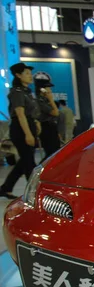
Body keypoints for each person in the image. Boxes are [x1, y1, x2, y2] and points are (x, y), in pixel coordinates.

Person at [0, 63, 39, 199]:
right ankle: (34, 194)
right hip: (21, 128)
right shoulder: (16, 92)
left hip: (28, 125)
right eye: (27, 73)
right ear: (18, 75)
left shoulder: (26, 92)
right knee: (29, 163)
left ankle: (5, 188)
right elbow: (20, 114)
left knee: (24, 161)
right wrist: (28, 134)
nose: (30, 76)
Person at [34, 77, 60, 161]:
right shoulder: (40, 101)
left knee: (56, 152)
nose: (50, 90)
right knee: (51, 153)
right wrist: (51, 99)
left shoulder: (45, 101)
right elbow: (56, 112)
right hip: (46, 128)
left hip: (52, 127)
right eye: (47, 88)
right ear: (42, 89)